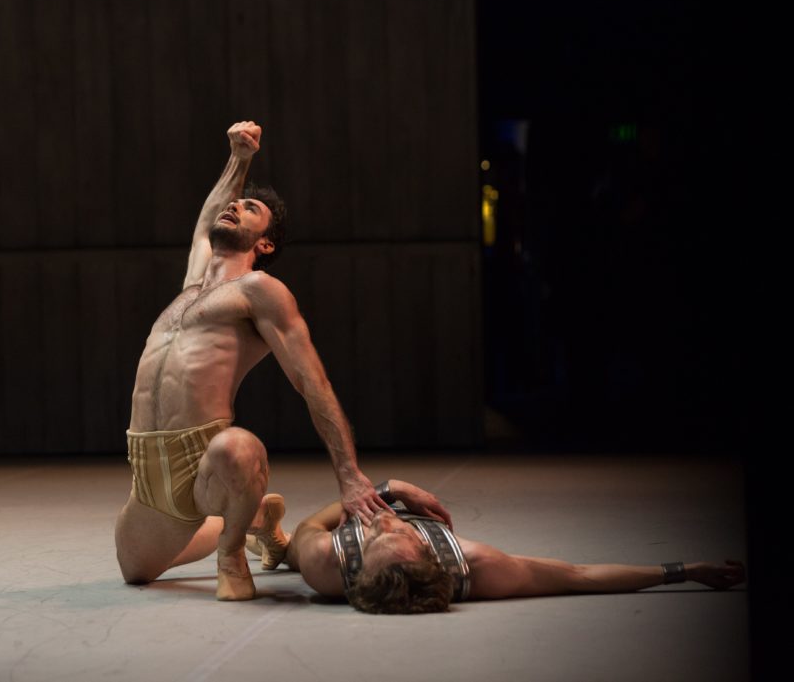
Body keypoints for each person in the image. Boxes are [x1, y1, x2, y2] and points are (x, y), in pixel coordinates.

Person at [114, 121, 390, 601]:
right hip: (146, 471)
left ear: (265, 244)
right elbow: (205, 221)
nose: (234, 206)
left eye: (250, 208)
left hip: (201, 459)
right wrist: (239, 158)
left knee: (239, 448)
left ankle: (231, 551)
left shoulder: (259, 292)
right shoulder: (192, 287)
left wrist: (349, 475)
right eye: (235, 203)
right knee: (134, 573)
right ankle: (258, 518)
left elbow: (312, 381)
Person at [270, 479, 745, 613]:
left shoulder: (328, 565)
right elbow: (579, 577)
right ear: (431, 552)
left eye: (379, 530)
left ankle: (273, 543)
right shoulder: (474, 566)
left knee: (294, 546)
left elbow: (315, 522)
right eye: (401, 530)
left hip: (315, 546)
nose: (385, 523)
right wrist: (684, 570)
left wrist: (383, 491)